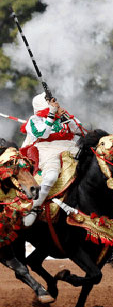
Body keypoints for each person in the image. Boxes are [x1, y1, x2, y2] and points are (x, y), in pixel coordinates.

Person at [22, 93, 83, 226]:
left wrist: (65, 116)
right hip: (48, 150)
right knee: (51, 177)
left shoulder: (63, 114)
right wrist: (51, 114)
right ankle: (35, 208)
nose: (54, 103)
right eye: (49, 102)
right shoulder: (34, 119)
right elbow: (41, 134)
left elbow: (79, 130)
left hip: (71, 148)